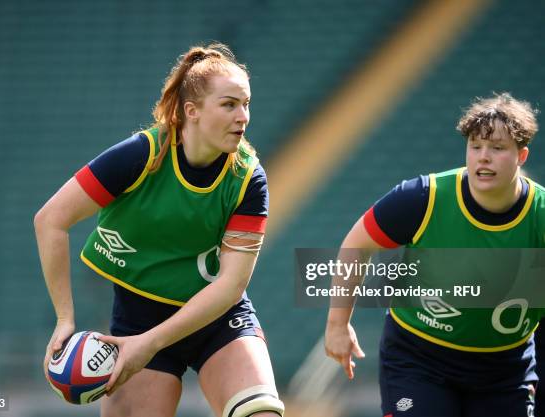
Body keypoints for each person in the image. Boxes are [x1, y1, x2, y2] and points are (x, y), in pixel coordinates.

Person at [34, 43, 284, 417]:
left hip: (216, 319)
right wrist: (64, 319)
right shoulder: (141, 156)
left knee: (260, 413)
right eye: (230, 104)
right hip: (137, 320)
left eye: (246, 104)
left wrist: (150, 343)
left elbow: (231, 286)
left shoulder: (247, 178)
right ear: (192, 111)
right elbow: (51, 220)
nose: (243, 116)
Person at [324, 92, 544, 416]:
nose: (483, 157)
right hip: (418, 360)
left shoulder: (539, 214)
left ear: (521, 155)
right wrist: (337, 325)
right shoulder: (423, 198)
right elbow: (356, 247)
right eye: (475, 146)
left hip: (505, 371)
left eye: (497, 148)